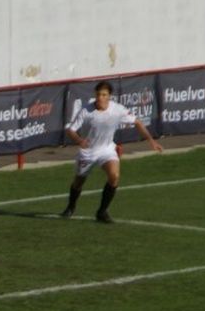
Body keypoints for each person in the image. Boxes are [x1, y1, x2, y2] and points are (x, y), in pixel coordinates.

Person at [61, 81, 163, 223]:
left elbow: (138, 122)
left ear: (109, 96)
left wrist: (151, 141)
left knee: (114, 176)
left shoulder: (117, 109)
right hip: (88, 151)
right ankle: (71, 207)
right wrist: (79, 141)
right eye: (98, 95)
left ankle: (102, 212)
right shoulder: (86, 110)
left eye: (104, 95)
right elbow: (71, 130)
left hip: (107, 149)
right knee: (78, 182)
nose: (101, 98)